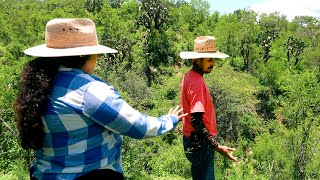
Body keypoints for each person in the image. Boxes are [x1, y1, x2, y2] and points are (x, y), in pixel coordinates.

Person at [14, 18, 187, 179]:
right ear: (85, 56)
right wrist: (169, 120)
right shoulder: (88, 90)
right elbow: (139, 127)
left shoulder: (39, 85)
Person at [179, 36, 237, 180]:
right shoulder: (197, 82)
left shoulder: (189, 76)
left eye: (213, 59)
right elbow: (196, 120)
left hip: (194, 141)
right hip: (200, 144)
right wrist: (216, 146)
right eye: (209, 60)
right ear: (197, 60)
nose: (213, 64)